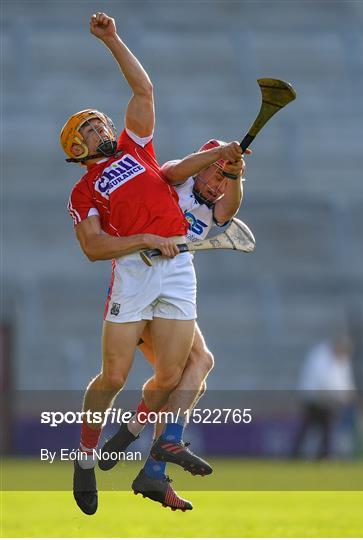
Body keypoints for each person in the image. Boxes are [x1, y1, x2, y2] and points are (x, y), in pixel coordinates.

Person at [62, 12, 243, 515]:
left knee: (173, 375)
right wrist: (144, 238)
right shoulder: (85, 189)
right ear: (77, 147)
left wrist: (113, 40)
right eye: (91, 126)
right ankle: (85, 455)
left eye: (101, 120)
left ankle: (154, 441)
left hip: (178, 266)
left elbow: (144, 91)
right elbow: (93, 248)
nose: (103, 125)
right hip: (136, 272)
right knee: (114, 377)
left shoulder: (134, 148)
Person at [97, 139, 247, 508]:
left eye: (224, 182)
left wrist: (236, 174)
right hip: (140, 288)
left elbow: (231, 206)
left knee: (195, 366)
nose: (217, 186)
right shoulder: (177, 178)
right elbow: (172, 170)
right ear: (204, 164)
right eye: (215, 176)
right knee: (183, 370)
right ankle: (147, 444)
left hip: (172, 291)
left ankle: (153, 462)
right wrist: (220, 155)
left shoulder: (214, 208)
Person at [292, 335, 356, 460]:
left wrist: (349, 394)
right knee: (310, 427)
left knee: (325, 428)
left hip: (329, 401)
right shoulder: (319, 355)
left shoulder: (342, 359)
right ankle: (298, 454)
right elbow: (322, 381)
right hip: (313, 399)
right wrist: (341, 395)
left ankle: (322, 456)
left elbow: (344, 381)